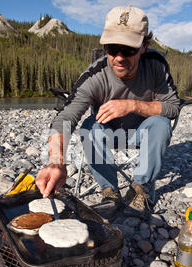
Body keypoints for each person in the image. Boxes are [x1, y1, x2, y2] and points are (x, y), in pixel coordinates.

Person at [35, 5, 181, 219]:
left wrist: (133, 105)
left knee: (161, 123)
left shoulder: (156, 65)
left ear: (144, 46)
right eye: (112, 48)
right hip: (107, 134)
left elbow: (173, 106)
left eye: (129, 49)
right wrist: (56, 163)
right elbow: (65, 118)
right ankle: (109, 192)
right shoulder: (95, 75)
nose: (119, 58)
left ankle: (139, 188)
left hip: (144, 132)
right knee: (89, 127)